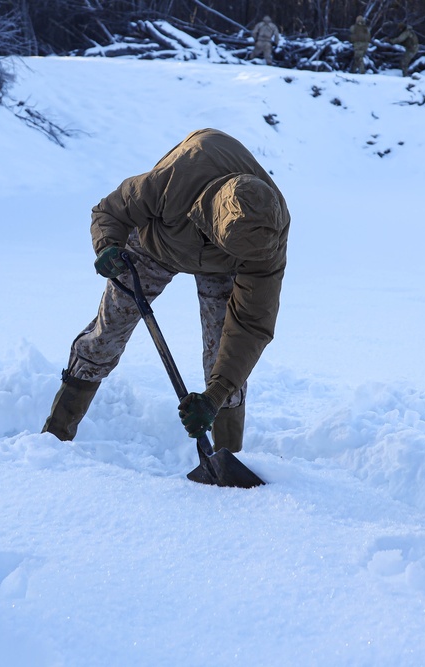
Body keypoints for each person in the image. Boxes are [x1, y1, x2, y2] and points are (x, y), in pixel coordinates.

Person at [42, 129, 290, 455]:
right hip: (156, 245)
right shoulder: (180, 175)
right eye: (235, 251)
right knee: (107, 337)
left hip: (223, 268)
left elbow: (251, 324)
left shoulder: (267, 236)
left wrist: (214, 397)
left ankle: (227, 459)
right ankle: (54, 438)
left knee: (224, 363)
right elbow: (110, 210)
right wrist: (108, 246)